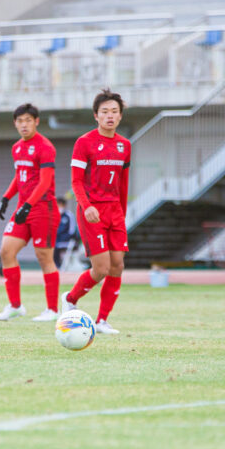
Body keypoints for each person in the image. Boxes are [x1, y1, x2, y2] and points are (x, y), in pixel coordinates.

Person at [61, 89, 131, 335]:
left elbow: (123, 183)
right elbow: (76, 181)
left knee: (118, 266)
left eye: (114, 112)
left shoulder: (125, 146)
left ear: (120, 116)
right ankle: (70, 299)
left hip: (115, 212)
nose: (109, 116)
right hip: (92, 211)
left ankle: (102, 320)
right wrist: (86, 205)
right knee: (101, 268)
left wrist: (122, 212)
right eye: (105, 112)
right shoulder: (84, 143)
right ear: (96, 116)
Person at [0, 103, 61, 322]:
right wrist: (6, 197)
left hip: (43, 209)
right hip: (23, 208)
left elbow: (45, 181)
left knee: (44, 257)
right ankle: (15, 306)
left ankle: (52, 310)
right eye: (20, 121)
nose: (24, 125)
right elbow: (20, 175)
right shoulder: (17, 147)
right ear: (15, 123)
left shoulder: (45, 147)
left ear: (36, 122)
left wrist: (28, 205)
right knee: (6, 251)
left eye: (28, 120)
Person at [54, 196, 79, 269]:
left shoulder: (69, 215)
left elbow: (72, 231)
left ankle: (59, 266)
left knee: (56, 247)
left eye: (59, 205)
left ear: (64, 205)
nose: (58, 207)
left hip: (67, 240)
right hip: (57, 240)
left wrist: (64, 237)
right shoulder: (55, 215)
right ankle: (56, 266)